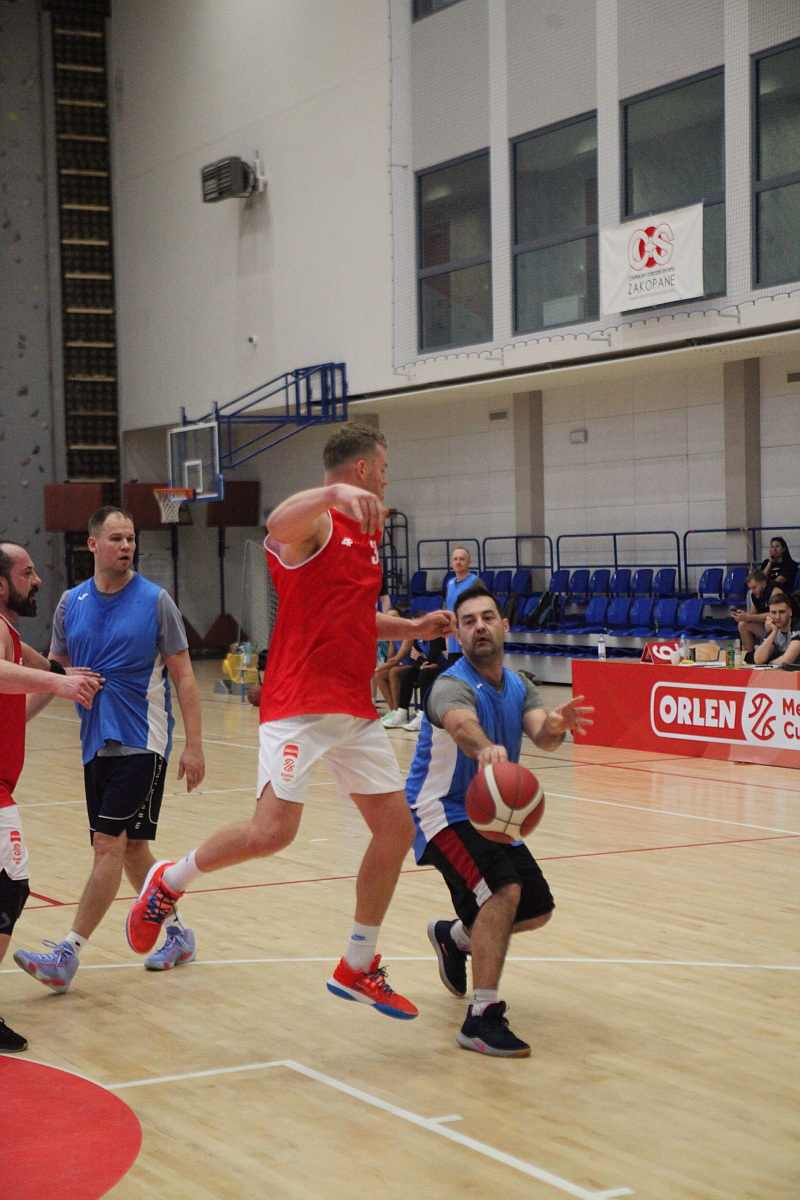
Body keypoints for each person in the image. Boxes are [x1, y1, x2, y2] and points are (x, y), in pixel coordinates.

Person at [126, 422, 455, 1019]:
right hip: (299, 703)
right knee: (272, 834)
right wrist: (330, 493)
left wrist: (411, 627)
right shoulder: (318, 521)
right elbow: (276, 524)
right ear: (360, 469)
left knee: (395, 831)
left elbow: (351, 616)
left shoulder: (367, 533)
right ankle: (170, 880)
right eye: (382, 469)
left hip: (353, 707)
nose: (387, 479)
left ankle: (358, 964)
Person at [14, 507, 205, 992]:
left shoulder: (156, 601)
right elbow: (54, 674)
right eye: (117, 538)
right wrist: (18, 722)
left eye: (131, 538)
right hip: (93, 743)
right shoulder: (70, 603)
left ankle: (67, 953)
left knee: (108, 845)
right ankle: (179, 935)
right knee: (133, 849)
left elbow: (184, 675)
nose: (126, 546)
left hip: (143, 740)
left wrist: (194, 745)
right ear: (93, 544)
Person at [405, 584, 593, 1057]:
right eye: (468, 622)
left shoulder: (520, 684)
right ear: (458, 636)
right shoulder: (449, 684)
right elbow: (460, 723)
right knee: (501, 891)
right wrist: (484, 747)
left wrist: (556, 726)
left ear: (504, 626)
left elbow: (542, 735)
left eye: (487, 618)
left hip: (489, 813)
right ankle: (481, 1018)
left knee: (535, 908)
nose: (479, 627)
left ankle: (455, 937)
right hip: (441, 810)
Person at [0, 542, 102, 1051]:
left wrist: (60, 676)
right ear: (1, 585)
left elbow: (26, 673)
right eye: (27, 572)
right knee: (10, 888)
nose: (37, 579)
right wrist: (57, 683)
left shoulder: (10, 634)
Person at [384, 632, 447, 732]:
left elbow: (432, 661)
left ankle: (423, 715)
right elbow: (413, 661)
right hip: (427, 669)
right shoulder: (418, 639)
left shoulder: (436, 638)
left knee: (425, 674)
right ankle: (401, 714)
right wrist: (420, 664)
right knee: (407, 672)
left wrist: (419, 659)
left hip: (444, 671)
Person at [444, 547, 478, 664]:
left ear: (469, 562)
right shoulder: (450, 583)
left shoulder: (475, 582)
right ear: (451, 562)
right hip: (453, 641)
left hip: (470, 640)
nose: (458, 562)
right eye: (455, 559)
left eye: (462, 559)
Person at [731, 569, 773, 655]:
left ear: (764, 584)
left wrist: (748, 617)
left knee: (768, 623)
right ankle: (749, 656)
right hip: (766, 629)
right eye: (750, 588)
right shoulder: (755, 595)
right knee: (742, 624)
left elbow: (774, 615)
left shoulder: (774, 591)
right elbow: (753, 614)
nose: (752, 591)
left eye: (754, 587)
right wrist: (742, 615)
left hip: (779, 629)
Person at [753, 591, 800, 668]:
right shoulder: (774, 629)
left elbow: (787, 660)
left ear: (790, 612)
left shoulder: (797, 626)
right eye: (773, 613)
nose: (777, 617)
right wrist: (774, 632)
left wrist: (768, 664)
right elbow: (758, 659)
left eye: (782, 612)